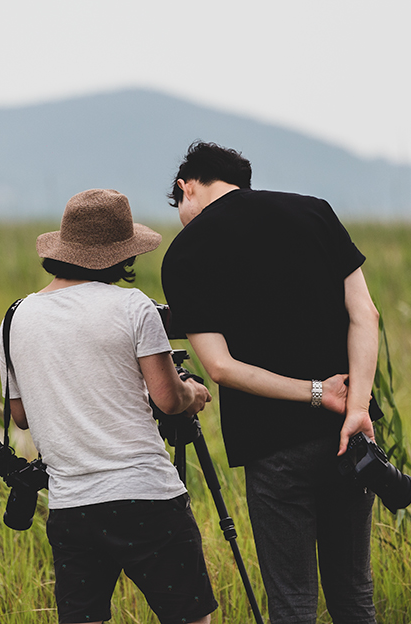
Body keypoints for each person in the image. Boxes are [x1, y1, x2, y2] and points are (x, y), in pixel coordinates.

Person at [161, 142, 380, 624]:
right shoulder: (314, 211)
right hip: (352, 434)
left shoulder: (185, 253)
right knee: (355, 597)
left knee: (293, 603)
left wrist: (317, 393)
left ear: (186, 187)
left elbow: (219, 368)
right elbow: (365, 314)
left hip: (272, 446)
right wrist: (356, 406)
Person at [0, 188, 219, 624]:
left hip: (71, 507)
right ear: (122, 255)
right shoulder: (133, 306)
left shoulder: (15, 317)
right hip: (147, 499)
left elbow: (21, 416)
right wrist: (194, 392)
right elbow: (168, 399)